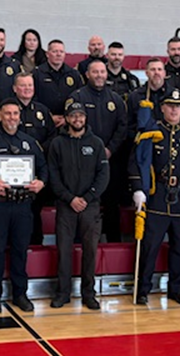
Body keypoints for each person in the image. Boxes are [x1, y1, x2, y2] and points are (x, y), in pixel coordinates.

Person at [129, 89, 180, 305]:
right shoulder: (151, 131)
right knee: (149, 247)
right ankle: (143, 289)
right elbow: (138, 161)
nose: (174, 109)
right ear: (161, 107)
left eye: (178, 106)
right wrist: (138, 188)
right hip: (157, 197)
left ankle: (176, 289)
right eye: (170, 105)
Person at [0, 99, 48, 314]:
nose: (12, 117)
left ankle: (20, 294)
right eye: (8, 114)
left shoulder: (30, 142)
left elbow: (44, 168)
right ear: (0, 116)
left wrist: (41, 182)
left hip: (23, 205)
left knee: (20, 250)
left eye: (15, 113)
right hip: (0, 205)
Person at [47, 101, 109, 310]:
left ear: (85, 118)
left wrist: (88, 197)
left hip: (90, 207)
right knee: (64, 251)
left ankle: (88, 293)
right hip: (66, 206)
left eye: (81, 116)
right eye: (73, 116)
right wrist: (69, 198)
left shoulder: (97, 143)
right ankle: (63, 293)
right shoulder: (57, 143)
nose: (77, 119)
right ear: (66, 118)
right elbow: (53, 176)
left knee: (90, 251)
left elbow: (103, 175)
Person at [67, 58, 127, 242]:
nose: (99, 75)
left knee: (111, 204)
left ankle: (113, 242)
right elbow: (73, 126)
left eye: (102, 72)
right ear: (87, 75)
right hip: (83, 163)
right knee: (84, 204)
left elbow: (122, 127)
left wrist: (109, 149)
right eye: (95, 72)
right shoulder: (77, 97)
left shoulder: (116, 99)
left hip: (110, 160)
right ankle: (79, 243)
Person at [12, 72, 55, 245]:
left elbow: (52, 135)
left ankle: (36, 243)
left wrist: (37, 150)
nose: (27, 89)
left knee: (35, 210)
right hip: (14, 168)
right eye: (23, 85)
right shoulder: (9, 110)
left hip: (38, 168)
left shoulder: (42, 111)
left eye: (30, 85)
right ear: (15, 88)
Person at [33, 40, 84, 129]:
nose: (58, 54)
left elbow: (80, 97)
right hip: (42, 122)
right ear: (47, 54)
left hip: (68, 123)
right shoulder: (37, 74)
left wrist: (67, 118)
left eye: (61, 51)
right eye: (55, 51)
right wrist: (48, 117)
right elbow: (33, 98)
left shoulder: (74, 74)